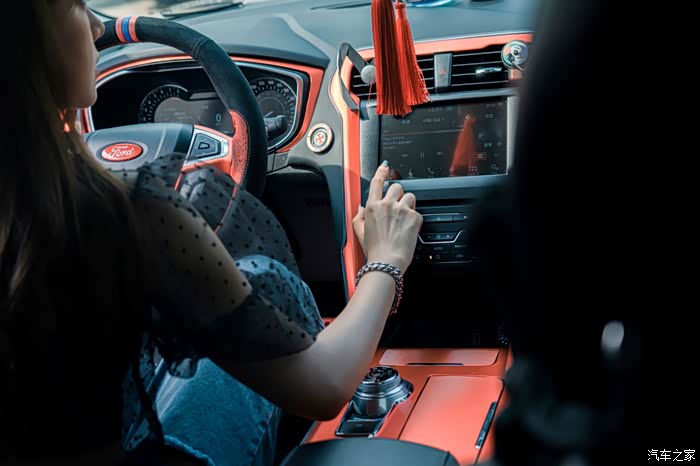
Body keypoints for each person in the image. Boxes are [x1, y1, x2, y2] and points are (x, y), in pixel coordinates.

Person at [0, 1, 423, 465]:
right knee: (271, 293)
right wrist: (385, 259)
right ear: (23, 40)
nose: (98, 25)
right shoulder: (128, 212)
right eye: (76, 6)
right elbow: (324, 385)